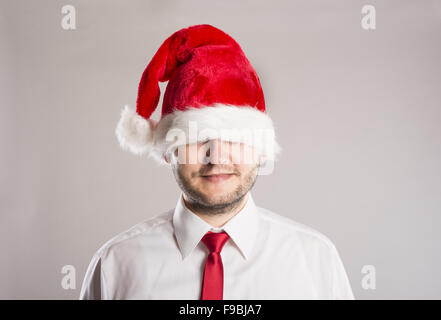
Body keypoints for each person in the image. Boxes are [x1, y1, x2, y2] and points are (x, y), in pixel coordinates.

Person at [79, 24, 355, 300]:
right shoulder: (115, 265)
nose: (217, 156)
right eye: (196, 138)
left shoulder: (316, 262)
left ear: (260, 149)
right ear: (167, 151)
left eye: (234, 137)